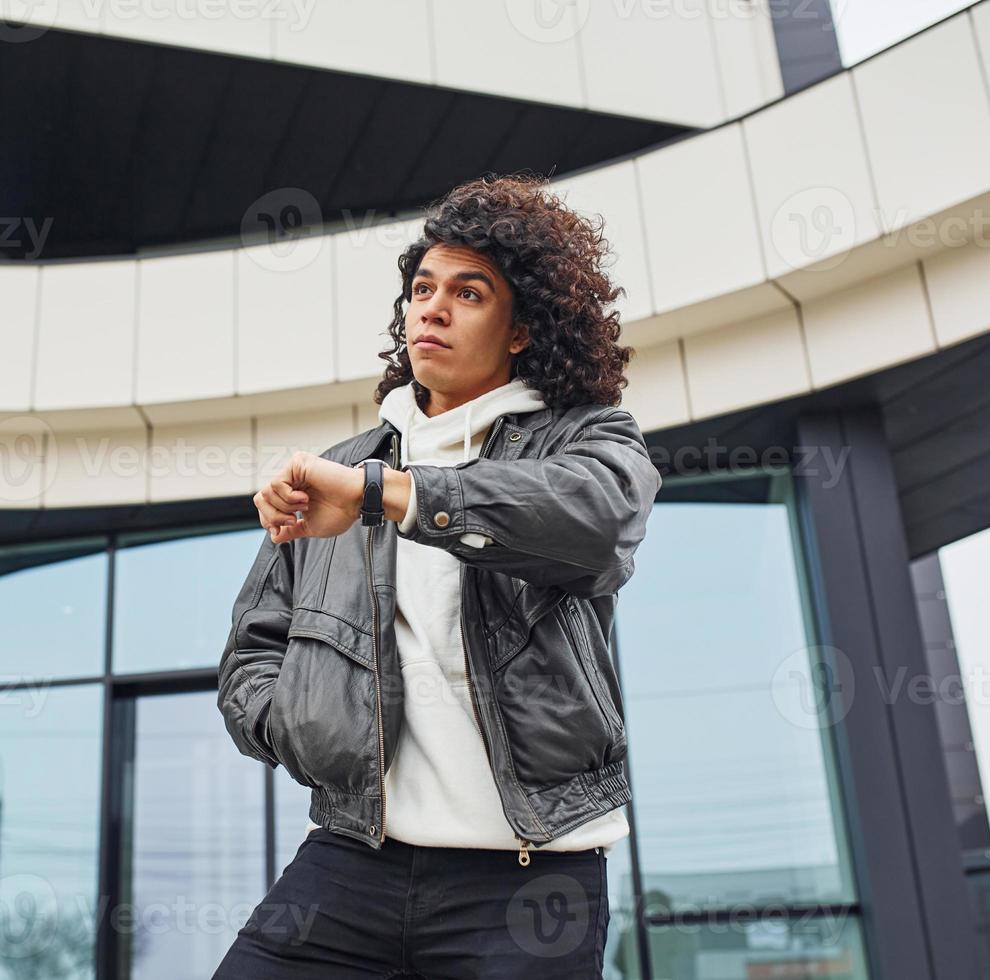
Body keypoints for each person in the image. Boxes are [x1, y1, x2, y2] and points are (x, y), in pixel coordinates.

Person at [214, 172, 661, 978]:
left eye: (469, 292)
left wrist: (392, 498)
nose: (433, 307)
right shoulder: (342, 469)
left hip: (530, 875)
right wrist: (296, 724)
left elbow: (595, 524)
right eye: (423, 288)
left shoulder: (586, 442)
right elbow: (252, 652)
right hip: (353, 859)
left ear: (521, 328)